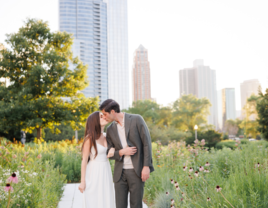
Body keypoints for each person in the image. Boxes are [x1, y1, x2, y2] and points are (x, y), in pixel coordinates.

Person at [100, 99, 154, 208]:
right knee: (120, 206)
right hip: (120, 174)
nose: (104, 117)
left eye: (105, 114)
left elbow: (147, 143)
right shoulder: (110, 129)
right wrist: (121, 152)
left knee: (136, 205)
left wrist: (146, 166)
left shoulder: (136, 119)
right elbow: (110, 153)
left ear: (113, 111)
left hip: (136, 171)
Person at [78, 111, 116, 208]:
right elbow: (84, 160)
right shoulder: (89, 138)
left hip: (105, 171)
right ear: (95, 121)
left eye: (104, 115)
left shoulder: (107, 136)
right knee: (94, 200)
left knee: (106, 199)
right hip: (94, 172)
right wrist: (82, 182)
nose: (104, 117)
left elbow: (114, 148)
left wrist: (112, 148)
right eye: (101, 117)